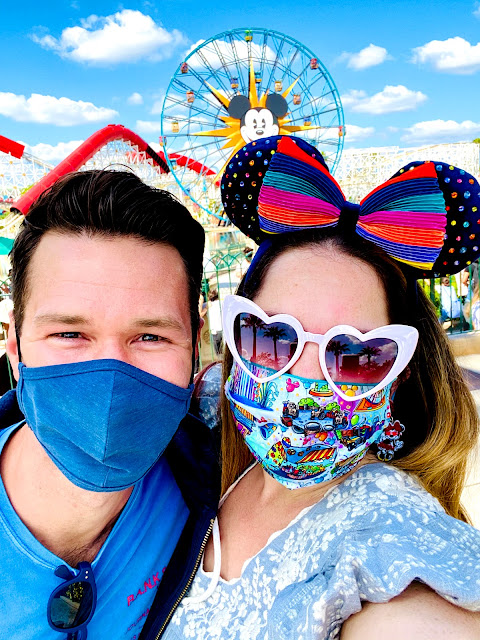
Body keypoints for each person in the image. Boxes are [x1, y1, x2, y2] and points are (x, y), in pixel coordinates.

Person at [162, 136, 480, 639]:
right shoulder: (204, 437)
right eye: (269, 336)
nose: (303, 379)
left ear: (400, 378)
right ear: (235, 340)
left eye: (356, 355)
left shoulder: (388, 532)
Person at [0, 170, 220, 639]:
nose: (112, 375)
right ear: (15, 348)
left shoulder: (222, 493)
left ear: (195, 348)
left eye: (150, 336)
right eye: (70, 334)